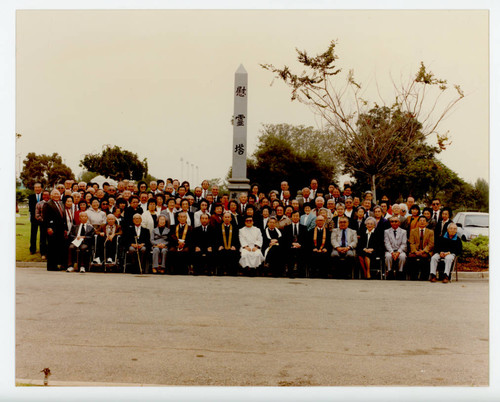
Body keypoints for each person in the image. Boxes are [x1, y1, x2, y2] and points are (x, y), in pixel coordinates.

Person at [43, 189, 67, 271]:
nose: (57, 195)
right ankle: (51, 266)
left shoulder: (61, 203)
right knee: (52, 248)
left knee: (59, 247)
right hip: (52, 229)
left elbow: (63, 217)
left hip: (60, 229)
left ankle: (58, 264)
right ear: (51, 195)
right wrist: (48, 227)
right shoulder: (48, 204)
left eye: (58, 194)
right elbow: (46, 218)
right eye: (55, 194)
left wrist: (65, 229)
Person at [408, 216, 435, 281]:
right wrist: (415, 251)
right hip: (415, 251)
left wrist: (423, 251)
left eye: (424, 221)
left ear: (426, 223)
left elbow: (431, 244)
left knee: (425, 258)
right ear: (418, 222)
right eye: (420, 220)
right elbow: (412, 243)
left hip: (425, 251)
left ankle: (424, 277)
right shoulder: (413, 231)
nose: (422, 222)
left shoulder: (430, 232)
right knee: (412, 258)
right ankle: (413, 277)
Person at [283, 210, 308, 278]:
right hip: (290, 247)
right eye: (294, 216)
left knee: (302, 252)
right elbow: (285, 240)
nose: (295, 217)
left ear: (299, 217)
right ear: (291, 217)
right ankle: (290, 273)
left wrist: (300, 245)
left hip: (300, 247)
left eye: (297, 216)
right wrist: (292, 244)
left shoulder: (304, 228)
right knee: (289, 252)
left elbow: (306, 240)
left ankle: (301, 273)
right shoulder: (287, 228)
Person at [215, 212, 240, 276]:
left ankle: (232, 272)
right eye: (225, 217)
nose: (227, 218)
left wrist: (234, 246)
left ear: (231, 219)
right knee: (220, 252)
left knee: (234, 253)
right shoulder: (218, 227)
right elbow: (216, 238)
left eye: (228, 217)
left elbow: (237, 239)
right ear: (223, 218)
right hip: (222, 247)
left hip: (231, 247)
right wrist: (219, 246)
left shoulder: (235, 227)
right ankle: (220, 271)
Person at [34, 189, 50, 260]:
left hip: (51, 224)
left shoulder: (51, 203)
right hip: (43, 223)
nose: (46, 196)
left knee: (50, 239)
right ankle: (43, 253)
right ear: (42, 196)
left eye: (47, 195)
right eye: (44, 195)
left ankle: (49, 253)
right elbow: (37, 214)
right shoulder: (39, 204)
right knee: (43, 239)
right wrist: (42, 220)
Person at [28, 183, 44, 255]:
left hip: (42, 218)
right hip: (34, 219)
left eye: (38, 187)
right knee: (33, 234)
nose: (37, 189)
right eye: (35, 187)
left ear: (41, 188)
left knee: (43, 235)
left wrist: (40, 216)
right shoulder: (31, 197)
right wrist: (35, 215)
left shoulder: (44, 196)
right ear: (34, 189)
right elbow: (31, 208)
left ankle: (42, 250)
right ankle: (32, 249)